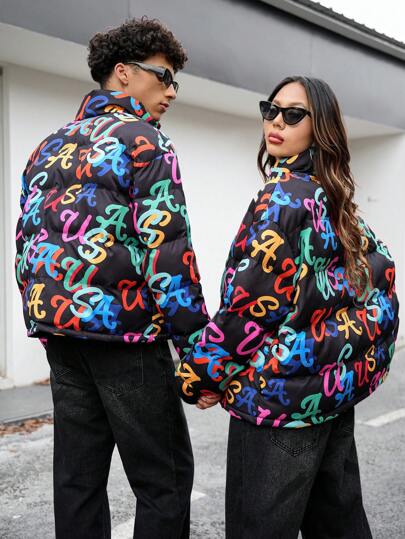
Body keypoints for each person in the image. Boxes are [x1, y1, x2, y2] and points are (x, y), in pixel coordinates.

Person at [176, 76, 399, 538]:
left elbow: (249, 308)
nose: (276, 121)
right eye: (271, 109)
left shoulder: (282, 198)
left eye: (294, 114)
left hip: (277, 402)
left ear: (321, 127)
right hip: (329, 396)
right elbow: (378, 278)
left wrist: (200, 376)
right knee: (338, 524)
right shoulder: (332, 196)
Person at [15, 17, 209, 539]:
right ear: (123, 72)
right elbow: (169, 254)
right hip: (127, 339)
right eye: (163, 76)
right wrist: (200, 352)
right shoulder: (146, 142)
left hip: (62, 334)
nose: (171, 91)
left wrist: (45, 317)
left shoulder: (47, 146)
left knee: (77, 478)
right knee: (164, 480)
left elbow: (27, 241)